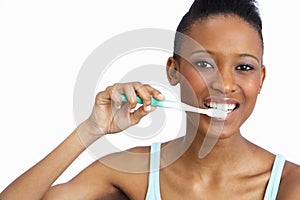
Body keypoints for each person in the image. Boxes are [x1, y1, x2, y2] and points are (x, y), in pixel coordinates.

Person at [1, 0, 300, 199]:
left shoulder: (289, 184)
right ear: (173, 70)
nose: (224, 84)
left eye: (244, 67)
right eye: (204, 64)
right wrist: (90, 130)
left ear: (261, 79)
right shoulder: (133, 172)